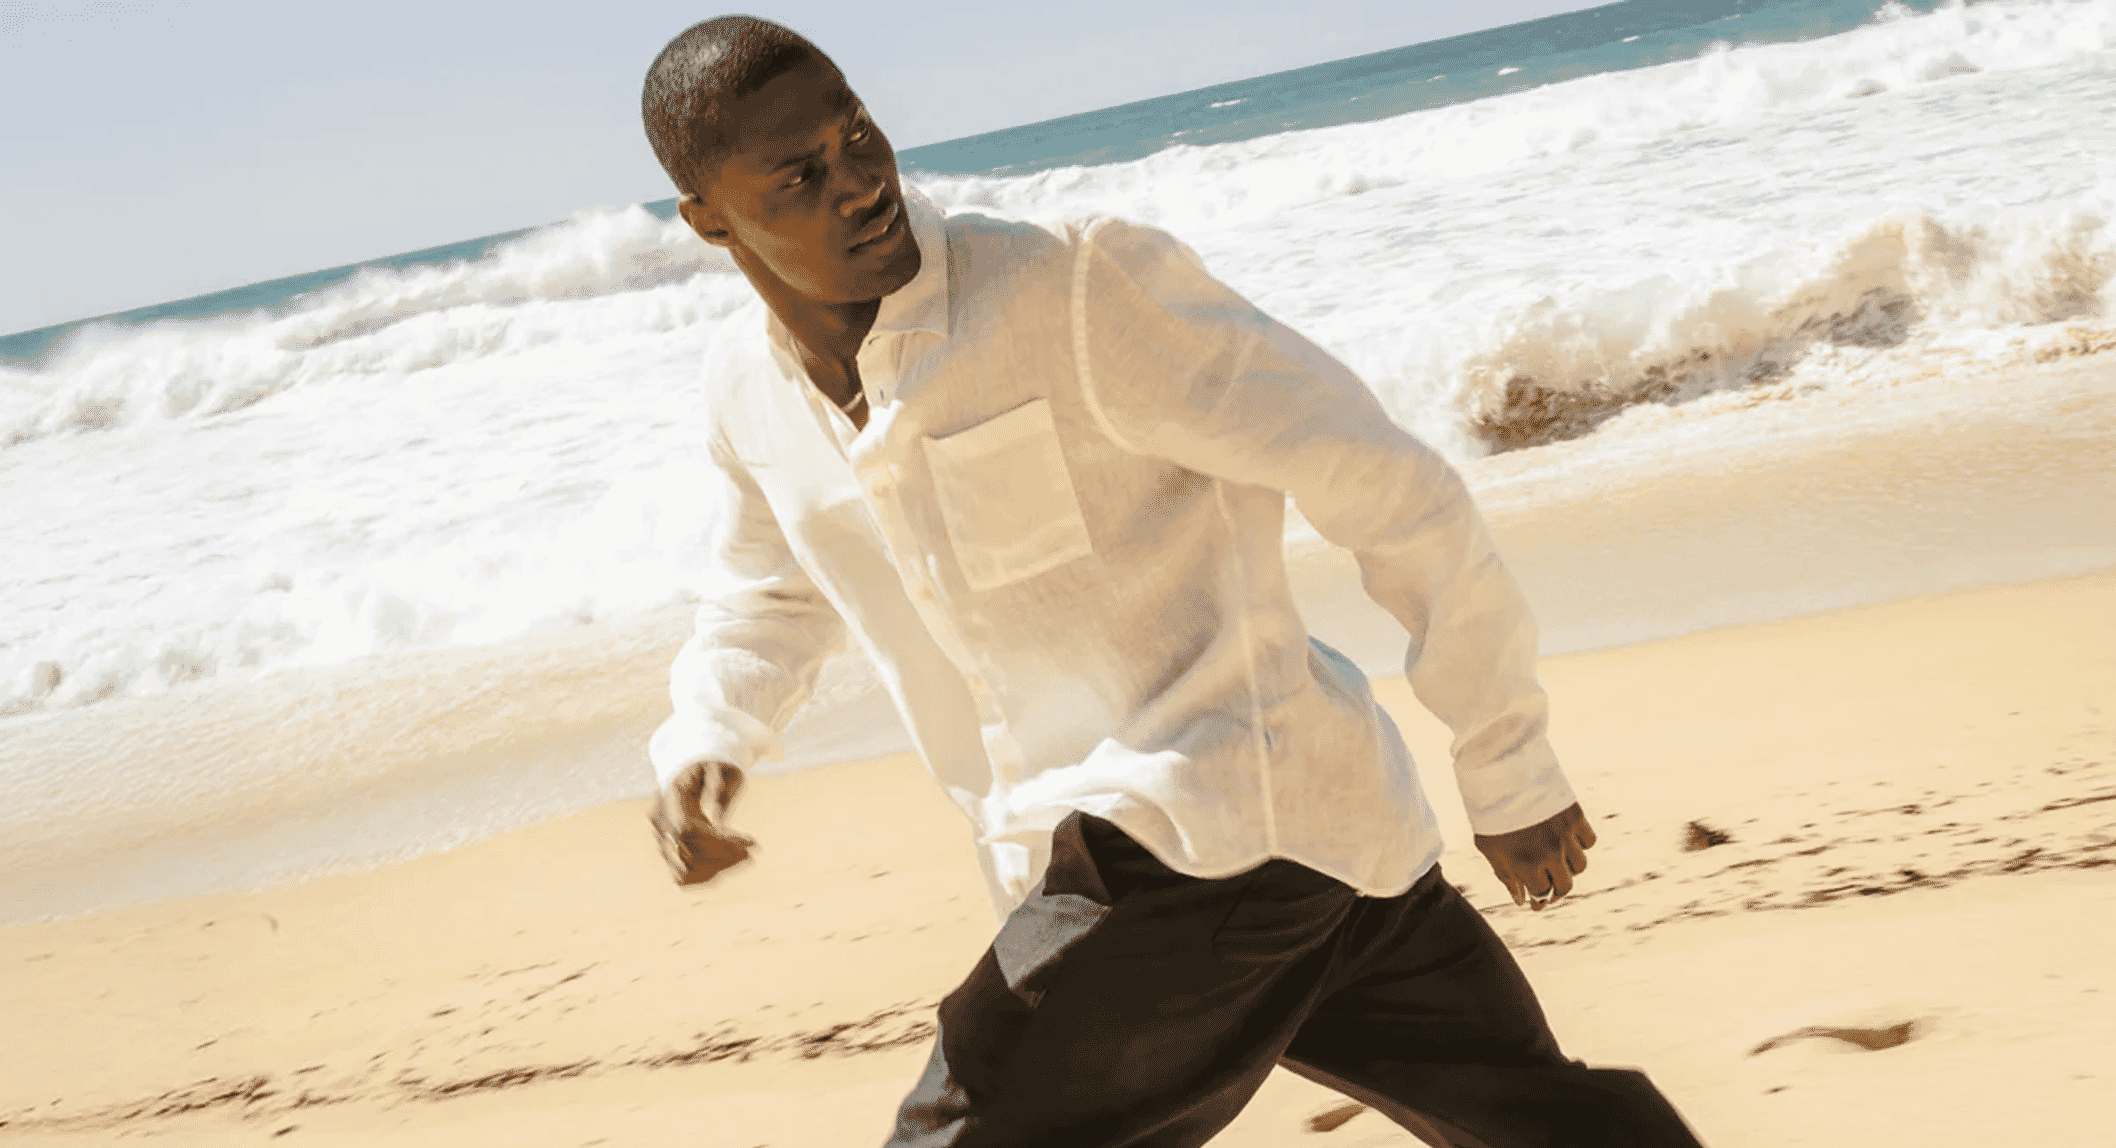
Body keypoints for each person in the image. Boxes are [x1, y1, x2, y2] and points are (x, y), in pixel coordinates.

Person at [638, 15, 1707, 1148]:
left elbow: (1380, 478)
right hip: (1293, 844)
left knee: (959, 1131)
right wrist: (711, 735)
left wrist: (1504, 756)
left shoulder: (1073, 287)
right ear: (706, 216)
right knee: (1541, 1120)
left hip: (1201, 826)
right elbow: (768, 589)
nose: (857, 182)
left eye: (858, 135)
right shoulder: (743, 391)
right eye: (800, 175)